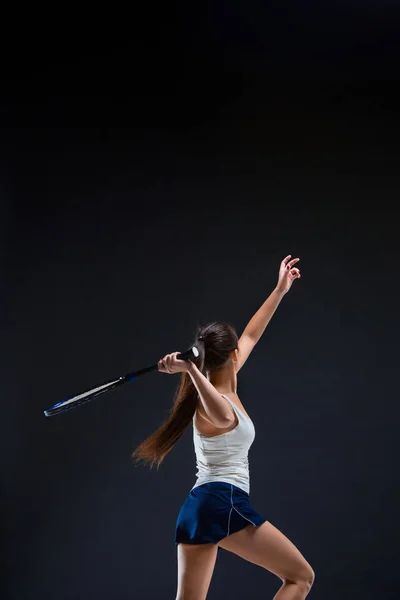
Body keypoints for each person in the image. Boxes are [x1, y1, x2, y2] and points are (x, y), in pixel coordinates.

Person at [132, 255, 315, 600]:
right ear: (230, 356)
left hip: (198, 506)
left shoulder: (223, 383)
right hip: (222, 500)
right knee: (300, 577)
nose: (242, 349)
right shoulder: (213, 402)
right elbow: (222, 415)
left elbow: (252, 332)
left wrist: (280, 290)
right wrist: (189, 371)